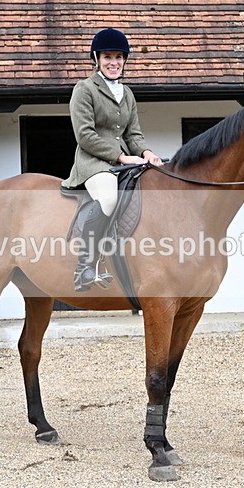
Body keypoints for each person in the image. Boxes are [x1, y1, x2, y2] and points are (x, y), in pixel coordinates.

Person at [62, 28, 164, 292]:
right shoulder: (84, 89)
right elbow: (85, 136)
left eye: (119, 57)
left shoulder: (127, 93)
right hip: (94, 163)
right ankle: (85, 267)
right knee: (108, 198)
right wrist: (120, 156)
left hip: (124, 162)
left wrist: (146, 153)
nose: (114, 62)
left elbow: (134, 135)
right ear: (97, 58)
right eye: (108, 56)